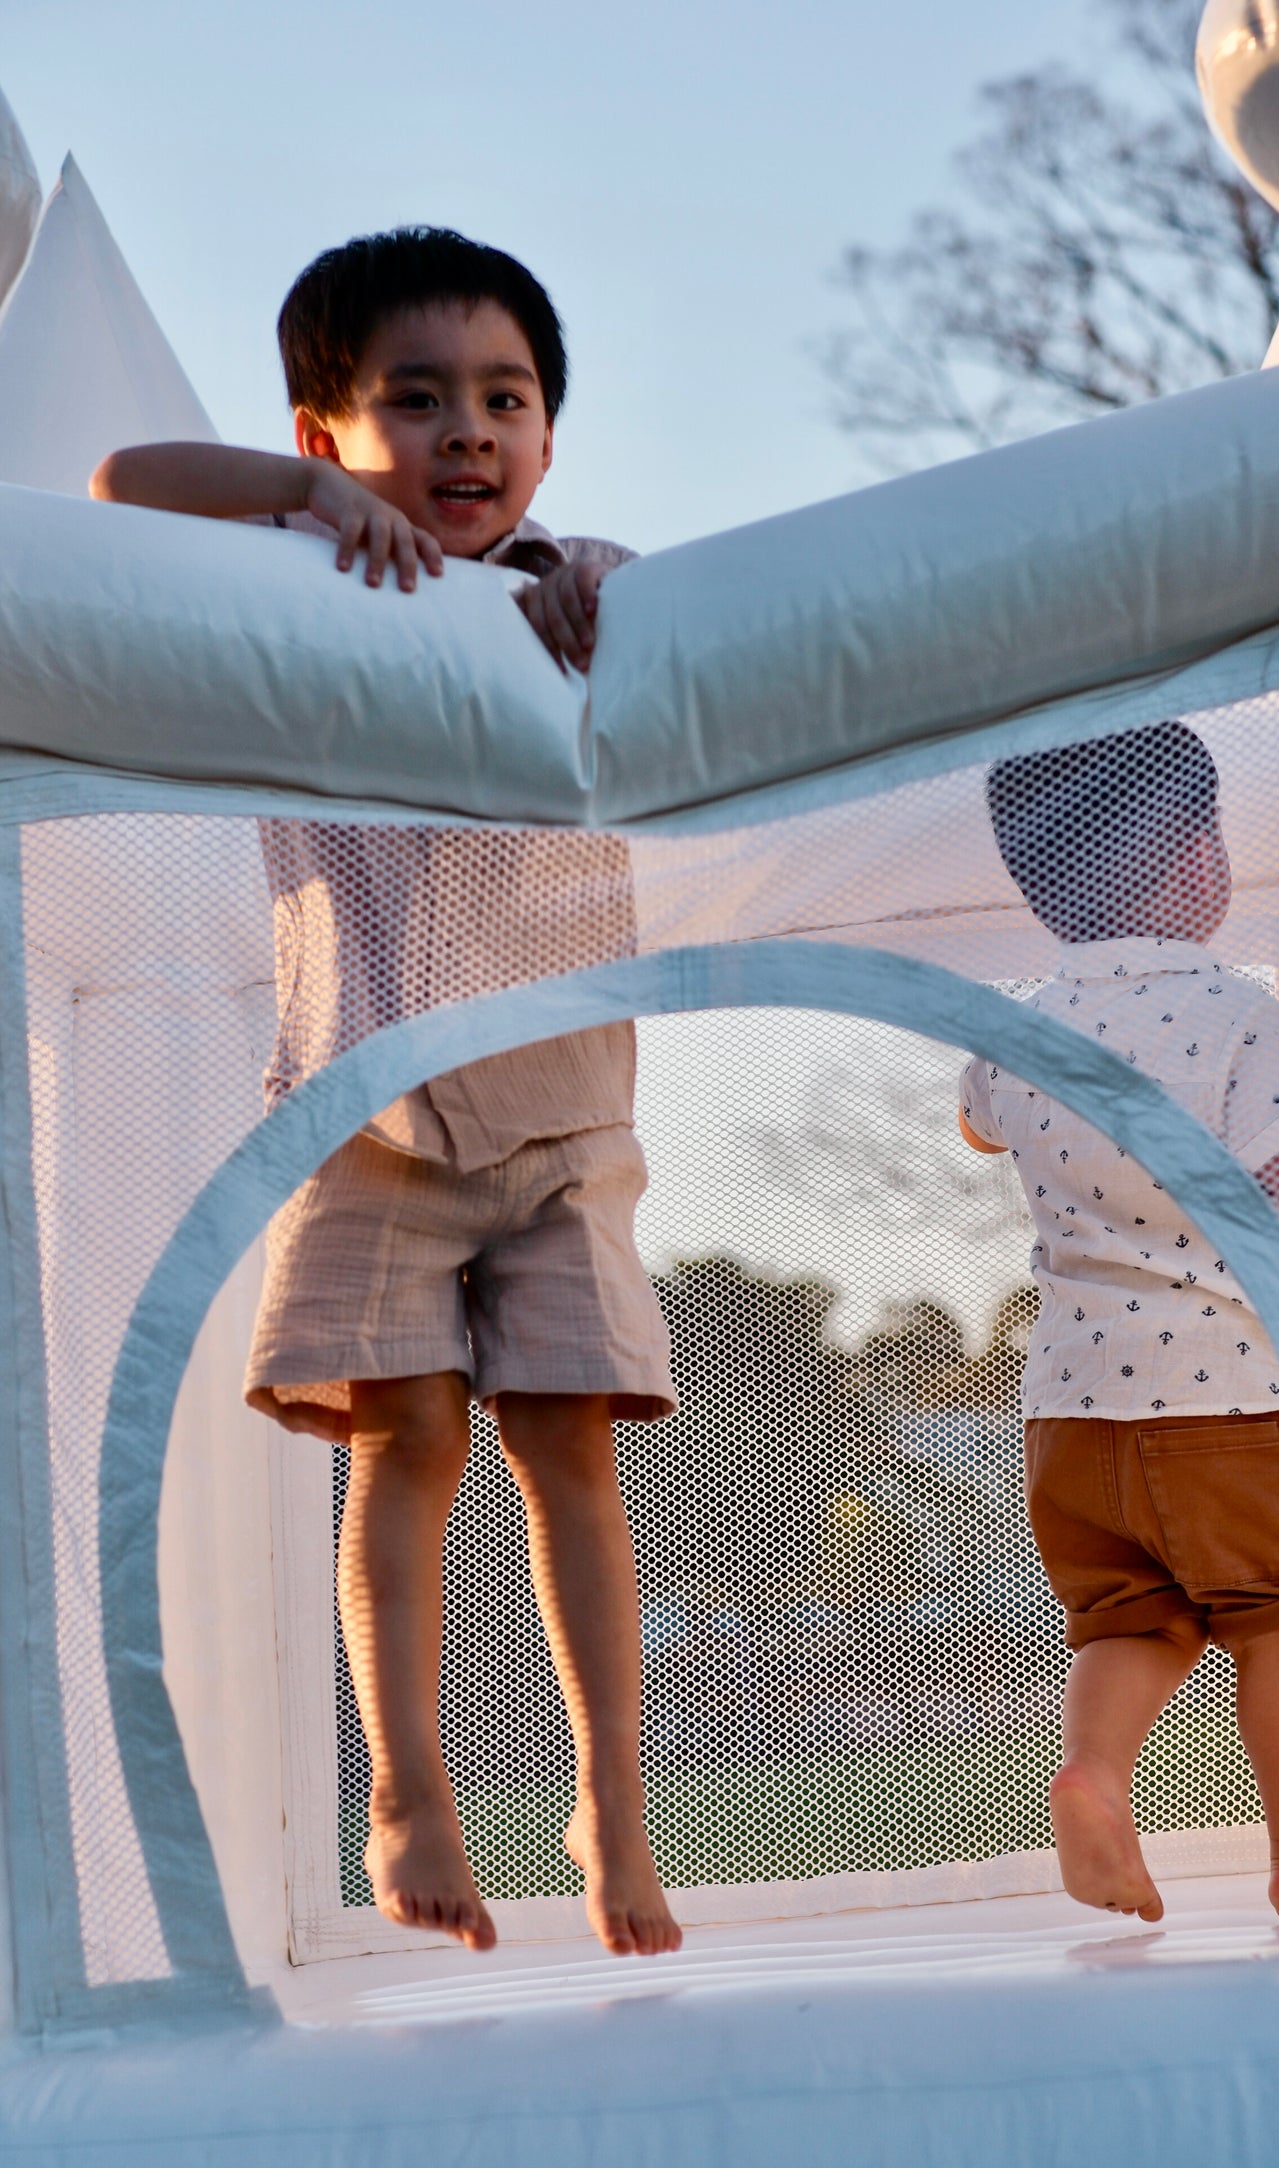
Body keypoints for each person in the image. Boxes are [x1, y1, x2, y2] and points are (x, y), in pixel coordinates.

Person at [91, 228, 682, 1960]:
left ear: (550, 438)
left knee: (570, 1446)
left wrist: (611, 615)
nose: (465, 435)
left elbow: (704, 641)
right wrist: (300, 497)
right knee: (405, 1438)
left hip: (566, 1114)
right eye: (411, 403)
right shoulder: (296, 565)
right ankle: (410, 1782)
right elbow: (120, 477)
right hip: (363, 1109)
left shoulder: (589, 582)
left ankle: (613, 1803)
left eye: (504, 399)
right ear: (327, 431)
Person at [957, 720, 1279, 1929]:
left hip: (1071, 1417)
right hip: (1229, 1400)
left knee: (1126, 1619)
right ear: (1201, 860)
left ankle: (1092, 1769)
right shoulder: (1234, 1013)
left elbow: (979, 1125)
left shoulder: (1018, 1025)